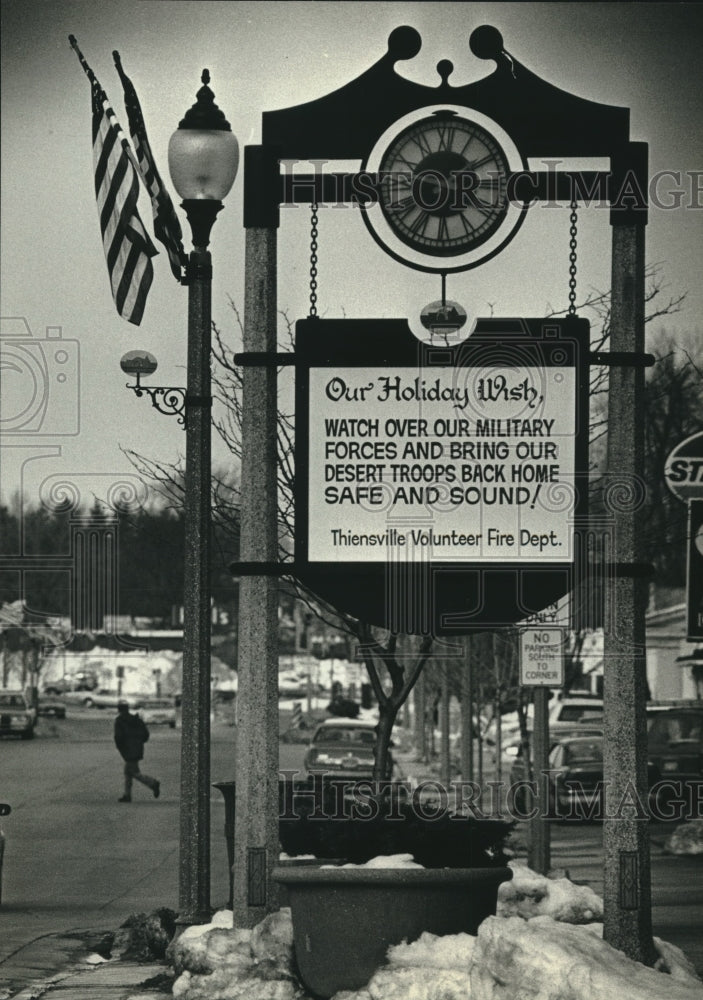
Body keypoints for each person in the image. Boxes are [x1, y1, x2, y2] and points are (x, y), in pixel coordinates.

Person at [114, 700, 160, 802]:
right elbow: (146, 735)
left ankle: (153, 783)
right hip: (137, 748)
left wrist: (121, 748)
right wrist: (139, 742)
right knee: (128, 772)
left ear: (119, 709)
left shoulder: (120, 721)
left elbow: (118, 737)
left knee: (134, 772)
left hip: (127, 749)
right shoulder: (137, 720)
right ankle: (127, 795)